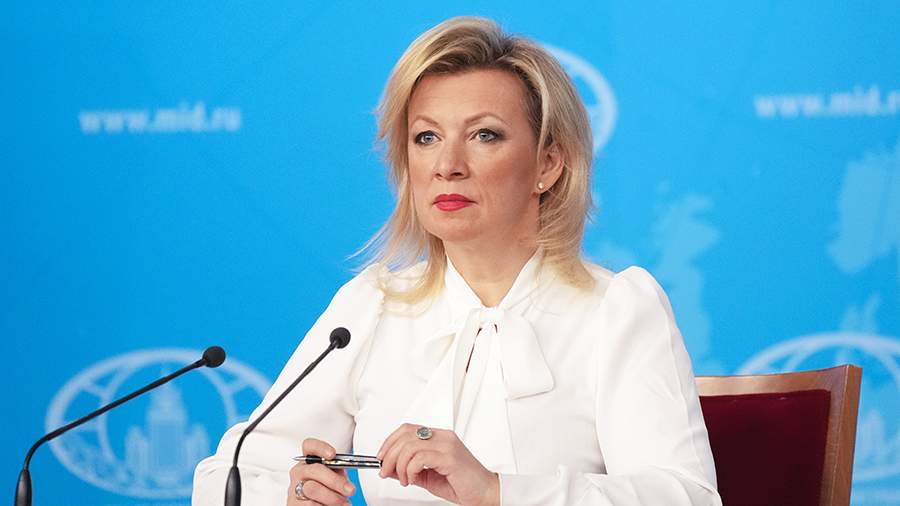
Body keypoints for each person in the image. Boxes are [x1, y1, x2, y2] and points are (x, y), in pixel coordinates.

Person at [193, 16, 721, 506]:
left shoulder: (617, 309)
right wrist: (288, 497)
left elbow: (686, 496)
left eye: (484, 135)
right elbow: (226, 475)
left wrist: (497, 492)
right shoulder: (370, 307)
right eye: (427, 138)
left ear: (548, 163)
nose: (448, 165)